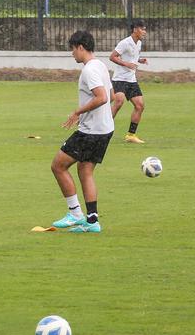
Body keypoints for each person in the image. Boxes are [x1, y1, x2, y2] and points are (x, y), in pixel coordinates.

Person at [46, 30, 114, 233]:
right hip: (104, 130)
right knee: (85, 171)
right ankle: (92, 221)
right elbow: (113, 96)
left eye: (72, 49)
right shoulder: (101, 65)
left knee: (58, 166)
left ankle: (74, 213)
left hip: (90, 132)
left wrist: (78, 111)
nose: (72, 53)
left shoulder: (89, 70)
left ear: (81, 47)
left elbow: (101, 97)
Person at [109, 20, 149, 144]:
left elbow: (133, 58)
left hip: (131, 80)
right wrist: (126, 63)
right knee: (119, 102)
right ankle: (101, 131)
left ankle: (131, 135)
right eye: (142, 29)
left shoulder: (139, 43)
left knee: (140, 106)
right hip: (120, 79)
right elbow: (112, 57)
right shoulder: (125, 43)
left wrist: (140, 60)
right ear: (135, 29)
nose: (144, 32)